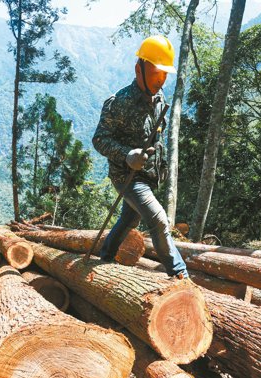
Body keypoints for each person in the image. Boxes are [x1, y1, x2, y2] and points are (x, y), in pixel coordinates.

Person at [92, 35, 188, 279]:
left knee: (129, 219)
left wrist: (160, 164)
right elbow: (99, 139)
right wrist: (127, 154)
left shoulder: (159, 98)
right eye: (157, 72)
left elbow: (157, 134)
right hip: (126, 175)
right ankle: (180, 275)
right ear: (139, 69)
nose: (162, 78)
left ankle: (104, 257)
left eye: (166, 73)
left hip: (148, 175)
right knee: (158, 220)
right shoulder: (119, 102)